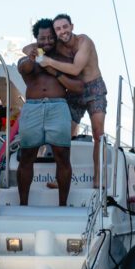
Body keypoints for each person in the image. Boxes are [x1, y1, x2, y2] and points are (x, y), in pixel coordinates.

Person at [17, 18, 84, 206]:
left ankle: (62, 204)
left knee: (62, 156)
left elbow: (79, 87)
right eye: (42, 38)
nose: (46, 42)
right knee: (27, 156)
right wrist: (31, 58)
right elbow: (24, 68)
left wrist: (54, 71)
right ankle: (23, 204)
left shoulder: (64, 60)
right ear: (36, 39)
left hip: (58, 107)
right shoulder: (27, 58)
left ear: (56, 38)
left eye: (50, 38)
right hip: (33, 107)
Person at [38, 14, 107, 189]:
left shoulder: (84, 42)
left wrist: (49, 62)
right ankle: (59, 177)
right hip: (75, 90)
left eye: (65, 27)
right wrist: (35, 53)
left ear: (72, 26)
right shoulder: (58, 46)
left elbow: (76, 69)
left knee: (99, 134)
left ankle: (98, 179)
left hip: (94, 87)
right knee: (63, 134)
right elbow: (31, 47)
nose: (63, 31)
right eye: (58, 29)